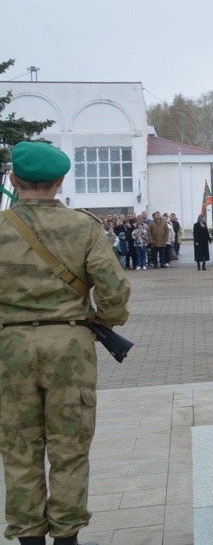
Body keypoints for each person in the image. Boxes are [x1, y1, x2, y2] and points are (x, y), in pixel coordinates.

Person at [0, 141, 131, 545]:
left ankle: (28, 538)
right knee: (70, 446)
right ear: (60, 181)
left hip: (9, 347)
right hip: (70, 345)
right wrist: (103, 322)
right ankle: (67, 537)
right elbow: (113, 290)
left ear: (13, 179)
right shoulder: (84, 226)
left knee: (18, 447)